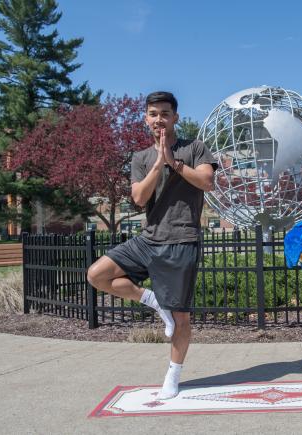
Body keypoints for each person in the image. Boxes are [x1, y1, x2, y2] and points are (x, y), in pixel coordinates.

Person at [87, 91, 217, 399]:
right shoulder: (141, 158)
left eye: (165, 113)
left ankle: (173, 376)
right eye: (153, 114)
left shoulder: (195, 148)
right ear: (147, 118)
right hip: (148, 238)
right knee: (97, 275)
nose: (159, 119)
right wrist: (159, 163)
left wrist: (175, 162)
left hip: (182, 239)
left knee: (182, 317)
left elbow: (207, 182)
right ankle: (154, 301)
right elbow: (139, 198)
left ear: (175, 117)